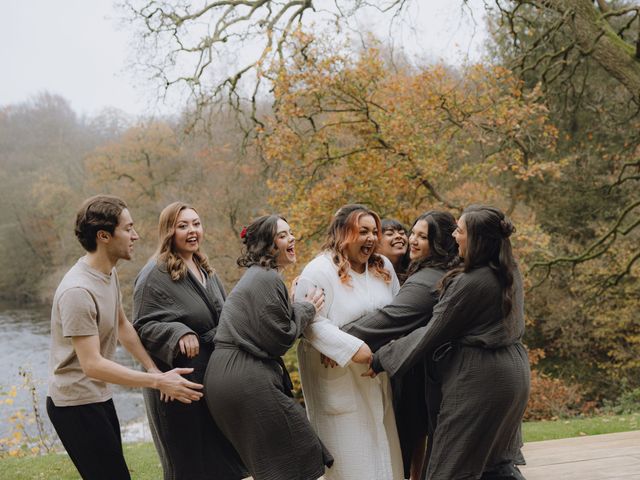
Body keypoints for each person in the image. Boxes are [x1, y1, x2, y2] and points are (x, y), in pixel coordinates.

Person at [367, 205, 530, 480]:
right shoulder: (508, 271)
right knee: (494, 465)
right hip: (512, 376)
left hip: (479, 381)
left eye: (460, 230)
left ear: (477, 238)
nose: (454, 236)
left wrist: (381, 358)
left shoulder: (472, 282)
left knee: (448, 468)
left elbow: (433, 331)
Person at [46, 195, 204, 480]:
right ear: (104, 236)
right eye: (128, 228)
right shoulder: (77, 292)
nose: (136, 235)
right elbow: (91, 365)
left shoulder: (107, 273)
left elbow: (122, 325)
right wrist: (158, 381)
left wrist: (153, 367)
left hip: (98, 396)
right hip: (75, 405)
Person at [205, 214, 332, 480]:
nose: (292, 238)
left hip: (230, 377)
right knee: (298, 453)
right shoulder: (265, 278)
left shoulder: (262, 277)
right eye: (283, 235)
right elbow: (279, 338)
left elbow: (270, 327)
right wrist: (306, 308)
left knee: (278, 461)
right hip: (243, 379)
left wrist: (292, 303)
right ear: (267, 245)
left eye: (291, 232)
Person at [132, 202, 247, 480]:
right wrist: (177, 332)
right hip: (178, 386)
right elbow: (142, 327)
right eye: (183, 225)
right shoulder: (153, 275)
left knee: (226, 463)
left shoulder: (204, 268)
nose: (192, 230)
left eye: (196, 223)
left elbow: (224, 315)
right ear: (168, 232)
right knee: (190, 465)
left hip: (211, 378)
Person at [342, 210, 458, 480]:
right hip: (409, 366)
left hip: (417, 369)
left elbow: (388, 320)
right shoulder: (419, 272)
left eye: (421, 236)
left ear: (439, 243)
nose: (410, 239)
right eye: (413, 233)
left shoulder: (426, 279)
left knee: (415, 435)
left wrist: (337, 340)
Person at [295, 204, 404, 480]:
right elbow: (310, 321)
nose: (371, 238)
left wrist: (376, 350)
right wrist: (347, 348)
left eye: (374, 232)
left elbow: (397, 314)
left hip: (377, 374)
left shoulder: (383, 267)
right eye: (363, 231)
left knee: (384, 451)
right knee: (351, 459)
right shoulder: (318, 270)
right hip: (337, 377)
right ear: (343, 233)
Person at [378, 218, 410, 283]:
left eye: (402, 233)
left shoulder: (415, 272)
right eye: (390, 234)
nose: (398, 236)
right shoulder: (369, 275)